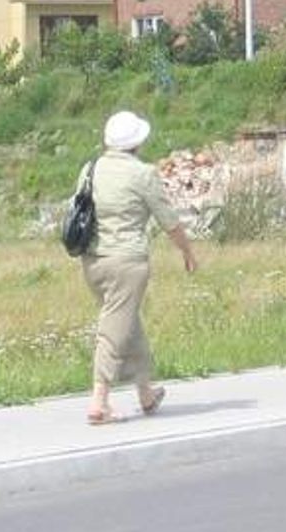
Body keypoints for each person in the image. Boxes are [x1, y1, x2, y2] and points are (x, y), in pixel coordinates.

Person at [77, 110, 197, 425]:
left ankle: (145, 392)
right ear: (138, 142)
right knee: (113, 331)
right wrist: (187, 252)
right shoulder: (143, 174)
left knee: (125, 322)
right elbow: (168, 220)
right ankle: (99, 401)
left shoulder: (90, 169)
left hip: (92, 261)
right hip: (127, 263)